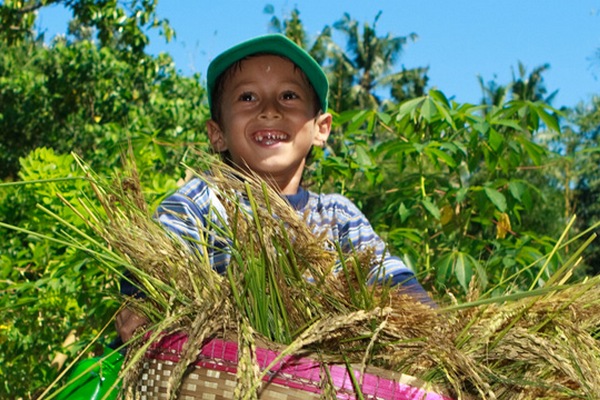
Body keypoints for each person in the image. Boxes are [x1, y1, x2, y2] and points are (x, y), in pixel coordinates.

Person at [115, 34, 433, 342]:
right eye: (247, 97)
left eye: (288, 96)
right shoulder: (200, 204)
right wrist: (146, 303)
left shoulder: (337, 217)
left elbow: (395, 283)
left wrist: (428, 326)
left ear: (321, 129)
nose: (269, 110)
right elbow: (158, 271)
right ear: (217, 134)